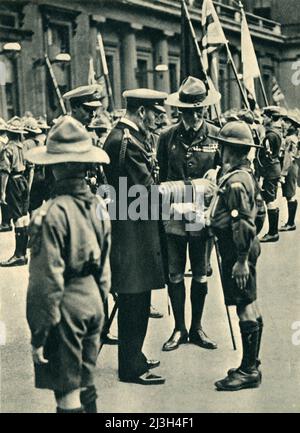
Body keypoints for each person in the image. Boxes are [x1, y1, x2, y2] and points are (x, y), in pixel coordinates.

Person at [25, 115, 111, 413]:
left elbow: (45, 283)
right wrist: (99, 301)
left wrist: (39, 334)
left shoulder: (50, 214)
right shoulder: (99, 205)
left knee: (67, 393)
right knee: (86, 382)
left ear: (56, 166)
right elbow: (104, 267)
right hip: (93, 302)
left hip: (66, 306)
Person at [103, 88, 167, 385]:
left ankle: (135, 355)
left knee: (139, 299)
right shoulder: (124, 141)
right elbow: (145, 191)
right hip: (131, 233)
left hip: (136, 228)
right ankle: (131, 367)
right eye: (156, 113)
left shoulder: (129, 137)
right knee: (133, 300)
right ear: (142, 112)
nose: (159, 119)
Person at [157, 76, 220, 352]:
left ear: (205, 109)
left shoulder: (216, 135)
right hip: (173, 215)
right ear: (179, 110)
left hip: (200, 216)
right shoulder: (166, 137)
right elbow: (157, 180)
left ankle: (196, 327)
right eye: (188, 111)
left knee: (200, 273)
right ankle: (179, 329)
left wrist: (216, 179)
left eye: (199, 111)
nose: (194, 117)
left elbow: (222, 179)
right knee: (174, 273)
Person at [208, 121, 265, 391]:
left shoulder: (236, 183)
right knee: (249, 299)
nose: (219, 151)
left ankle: (248, 370)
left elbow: (242, 222)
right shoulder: (244, 174)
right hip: (243, 247)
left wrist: (242, 259)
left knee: (244, 304)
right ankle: (251, 361)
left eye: (221, 146)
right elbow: (260, 213)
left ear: (229, 149)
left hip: (236, 250)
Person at [0, 117, 30, 266]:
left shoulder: (8, 149)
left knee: (17, 217)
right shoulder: (23, 146)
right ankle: (23, 253)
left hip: (12, 181)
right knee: (24, 216)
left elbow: (4, 172)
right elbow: (30, 166)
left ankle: (19, 254)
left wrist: (2, 192)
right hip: (23, 180)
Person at [256, 106, 284, 243]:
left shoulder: (269, 135)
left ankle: (273, 232)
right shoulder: (277, 132)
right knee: (270, 198)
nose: (263, 119)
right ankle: (274, 231)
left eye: (265, 117)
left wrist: (260, 172)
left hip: (270, 170)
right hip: (274, 168)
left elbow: (265, 155)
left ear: (271, 118)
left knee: (270, 200)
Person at [279, 114, 300, 231]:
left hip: (290, 167)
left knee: (290, 194)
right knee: (290, 194)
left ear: (292, 125)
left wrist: (283, 173)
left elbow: (288, 157)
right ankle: (290, 222)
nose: (284, 124)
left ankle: (290, 223)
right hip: (293, 166)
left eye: (287, 122)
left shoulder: (290, 139)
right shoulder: (293, 137)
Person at [0, 118, 12, 232]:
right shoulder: (6, 140)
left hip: (3, 171)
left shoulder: (1, 142)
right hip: (7, 171)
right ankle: (6, 221)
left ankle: (5, 222)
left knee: (3, 196)